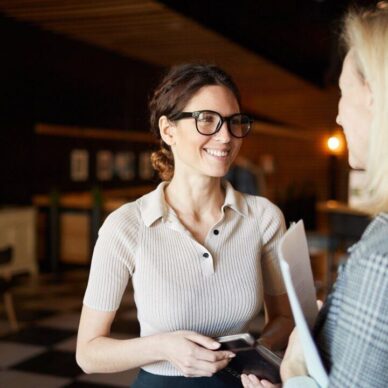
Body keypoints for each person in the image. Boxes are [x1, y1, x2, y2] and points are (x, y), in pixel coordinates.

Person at [76, 63, 293, 387]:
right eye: (207, 120)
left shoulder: (263, 218)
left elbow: (285, 318)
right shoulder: (126, 226)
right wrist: (163, 346)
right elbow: (88, 353)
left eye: (235, 122)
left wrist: (259, 352)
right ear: (168, 130)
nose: (226, 137)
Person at [241, 3, 388, 388]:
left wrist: (292, 374)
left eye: (342, 92)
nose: (338, 116)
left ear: (375, 96)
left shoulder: (381, 260)